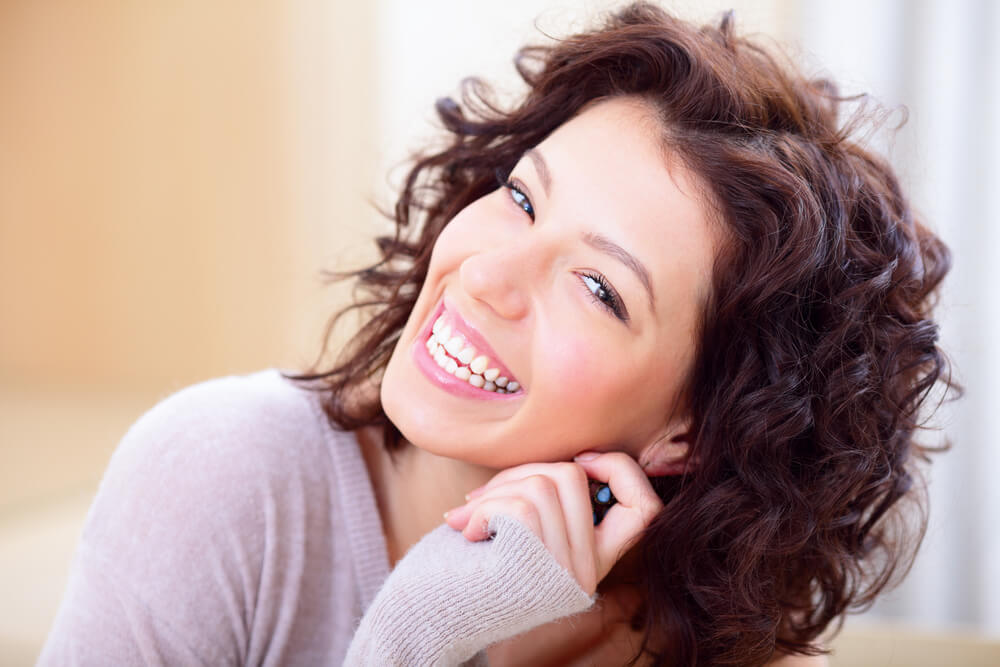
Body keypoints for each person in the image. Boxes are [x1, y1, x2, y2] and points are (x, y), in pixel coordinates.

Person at [39, 3, 953, 666]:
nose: (484, 275)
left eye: (597, 287)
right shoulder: (220, 477)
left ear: (697, 428)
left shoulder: (703, 647)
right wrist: (416, 638)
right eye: (521, 198)